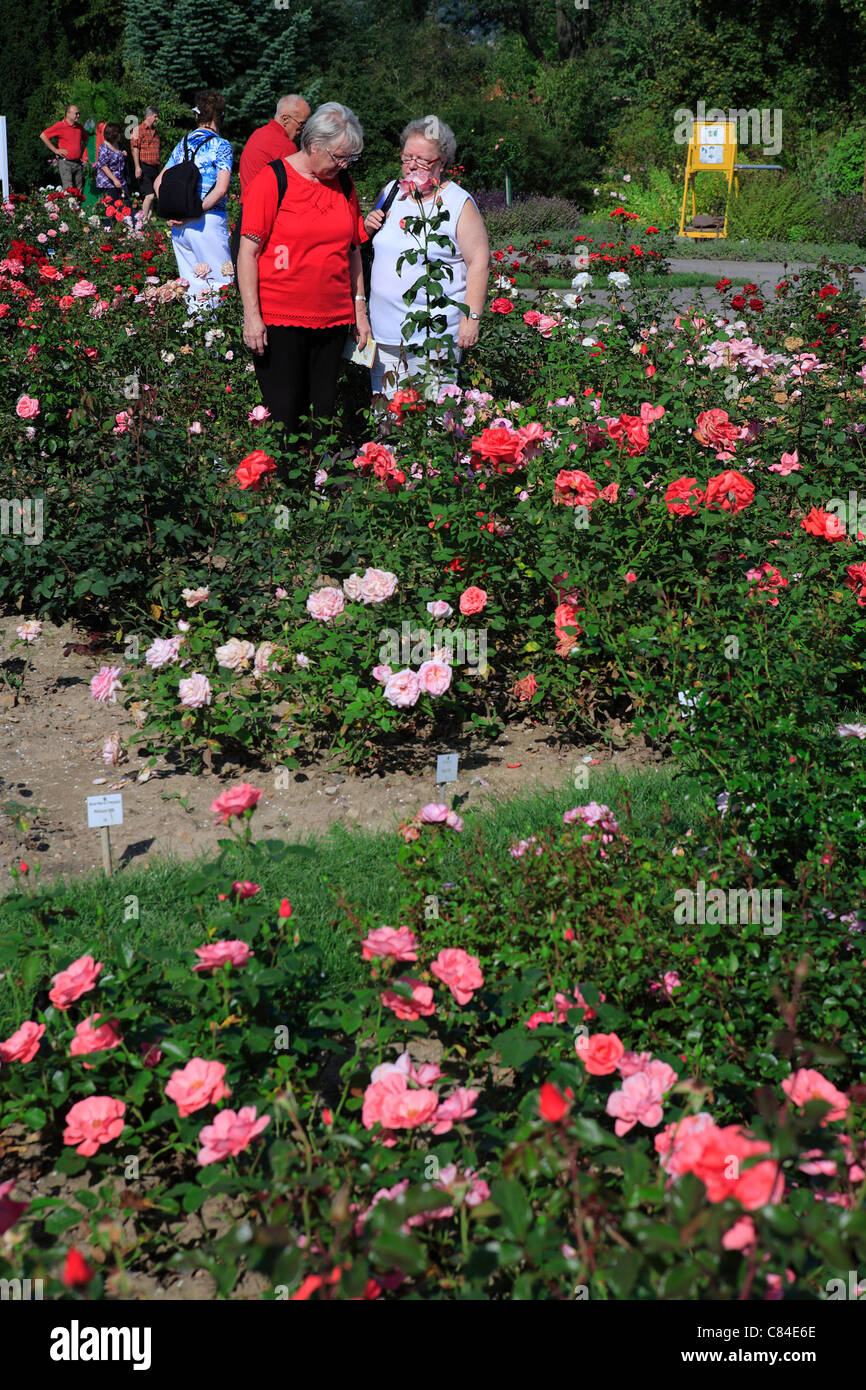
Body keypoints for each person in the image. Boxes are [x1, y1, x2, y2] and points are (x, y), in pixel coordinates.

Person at [238, 101, 376, 458]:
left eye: (350, 159)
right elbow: (248, 253)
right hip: (281, 320)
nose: (344, 166)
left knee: (324, 416)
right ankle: (287, 496)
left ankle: (322, 494)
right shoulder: (273, 179)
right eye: (339, 157)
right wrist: (252, 317)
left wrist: (360, 311)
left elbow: (353, 250)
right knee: (285, 414)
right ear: (314, 144)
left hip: (332, 321)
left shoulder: (343, 184)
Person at [365, 116, 489, 399]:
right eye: (407, 157)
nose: (411, 165)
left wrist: (471, 319)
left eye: (421, 161)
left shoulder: (458, 203)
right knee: (386, 409)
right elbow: (371, 244)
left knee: (433, 411)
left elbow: (479, 262)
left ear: (441, 163)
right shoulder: (391, 192)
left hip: (434, 333)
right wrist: (367, 225)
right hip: (385, 333)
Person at [153, 92, 233, 312]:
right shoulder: (221, 145)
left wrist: (174, 212)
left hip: (180, 229)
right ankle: (220, 342)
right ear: (220, 116)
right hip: (207, 222)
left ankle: (196, 340)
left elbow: (159, 182)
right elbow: (222, 188)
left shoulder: (183, 144)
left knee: (192, 290)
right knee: (221, 284)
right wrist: (194, 211)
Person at [239, 95, 311, 196]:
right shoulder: (284, 145)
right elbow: (297, 187)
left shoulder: (258, 134)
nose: (302, 131)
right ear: (285, 119)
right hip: (266, 208)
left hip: (247, 205)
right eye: (301, 124)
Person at [40, 104, 88, 192]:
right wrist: (55, 150)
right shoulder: (60, 126)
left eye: (78, 113)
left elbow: (85, 139)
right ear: (68, 114)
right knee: (69, 190)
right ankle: (69, 205)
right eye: (76, 113)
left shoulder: (79, 127)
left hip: (77, 163)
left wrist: (80, 152)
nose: (78, 116)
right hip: (65, 163)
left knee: (79, 190)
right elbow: (43, 135)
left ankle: (78, 206)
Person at [130, 107, 161, 227]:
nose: (157, 119)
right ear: (148, 116)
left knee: (152, 198)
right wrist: (137, 167)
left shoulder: (155, 132)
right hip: (144, 166)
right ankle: (141, 221)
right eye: (155, 116)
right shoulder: (138, 130)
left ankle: (147, 223)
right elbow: (135, 148)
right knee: (149, 195)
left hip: (155, 167)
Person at [94, 122, 130, 224]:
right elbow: (104, 166)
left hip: (120, 179)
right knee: (111, 207)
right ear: (113, 134)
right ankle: (108, 228)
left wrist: (123, 154)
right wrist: (114, 180)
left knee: (126, 202)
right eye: (118, 133)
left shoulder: (117, 144)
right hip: (108, 182)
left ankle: (126, 226)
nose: (120, 135)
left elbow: (117, 158)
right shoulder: (104, 148)